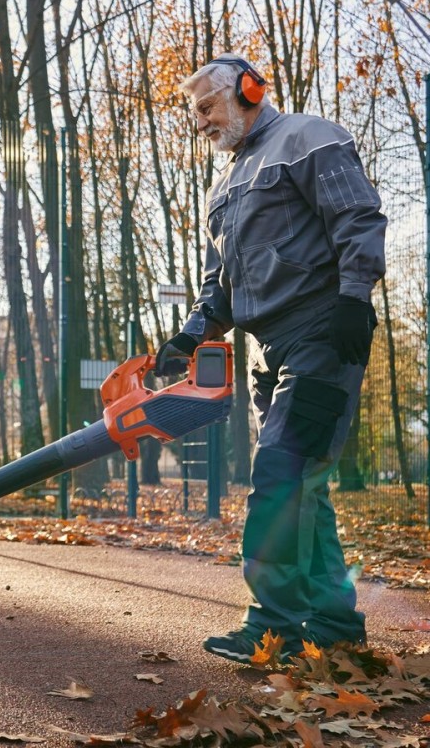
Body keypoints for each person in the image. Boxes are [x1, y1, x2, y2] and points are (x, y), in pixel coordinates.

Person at [154, 54, 386, 663]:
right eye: (194, 111)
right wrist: (186, 338)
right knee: (305, 482)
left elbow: (358, 216)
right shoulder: (222, 186)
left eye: (207, 106)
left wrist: (355, 299)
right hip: (268, 348)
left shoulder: (308, 138)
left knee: (280, 475)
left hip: (323, 333)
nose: (200, 121)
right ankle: (333, 622)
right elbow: (220, 285)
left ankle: (274, 626)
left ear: (249, 90)